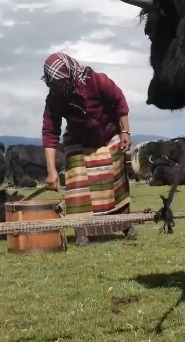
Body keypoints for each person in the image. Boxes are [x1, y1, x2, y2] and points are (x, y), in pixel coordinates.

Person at [41, 52, 135, 246]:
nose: (57, 88)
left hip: (108, 135)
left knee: (115, 183)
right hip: (78, 141)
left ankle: (125, 224)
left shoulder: (96, 80)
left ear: (69, 76)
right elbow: (50, 134)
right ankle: (81, 232)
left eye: (60, 83)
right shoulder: (54, 99)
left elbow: (119, 101)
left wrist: (125, 132)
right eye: (53, 84)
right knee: (77, 185)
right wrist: (52, 171)